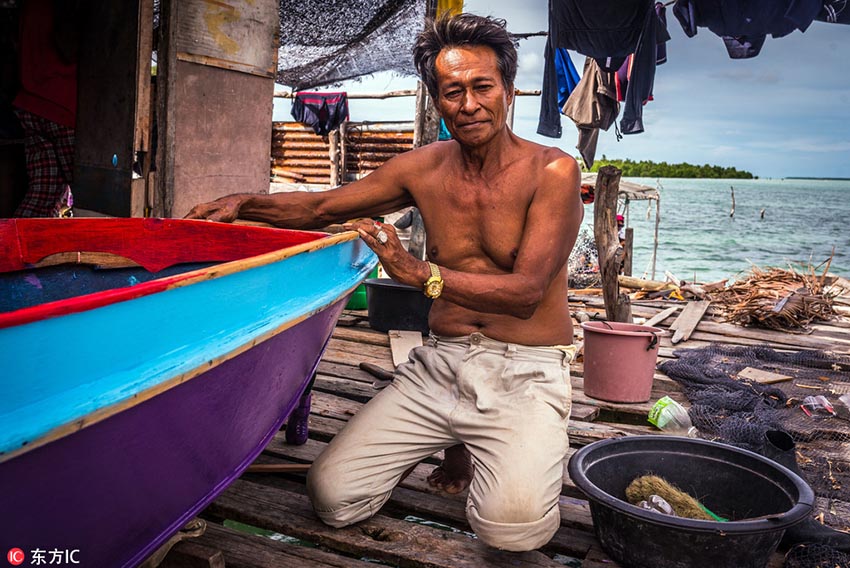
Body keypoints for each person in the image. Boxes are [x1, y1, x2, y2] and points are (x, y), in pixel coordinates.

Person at [186, 13, 583, 552]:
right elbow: (321, 206)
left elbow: (527, 291)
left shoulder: (553, 172)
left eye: (482, 87)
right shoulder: (422, 168)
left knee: (510, 531)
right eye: (452, 92)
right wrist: (243, 204)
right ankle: (453, 438)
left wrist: (420, 274)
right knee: (331, 496)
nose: (468, 105)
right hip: (440, 365)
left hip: (525, 372)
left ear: (508, 90)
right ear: (436, 100)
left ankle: (494, 448)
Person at [12, 0, 78, 217]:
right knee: (86, 192)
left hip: (31, 103)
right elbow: (68, 46)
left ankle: (11, 248)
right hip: (63, 106)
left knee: (42, 194)